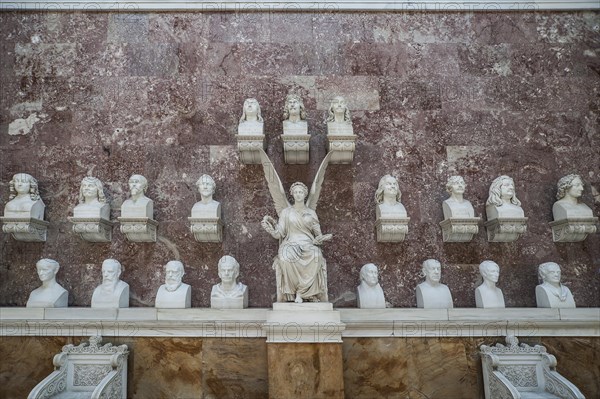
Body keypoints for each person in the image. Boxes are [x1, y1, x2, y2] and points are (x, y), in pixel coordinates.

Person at [261, 182, 332, 303]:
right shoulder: (286, 212)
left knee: (316, 255)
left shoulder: (311, 213)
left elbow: (318, 233)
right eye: (296, 192)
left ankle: (302, 292)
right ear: (292, 195)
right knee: (285, 258)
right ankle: (297, 292)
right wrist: (271, 230)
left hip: (308, 243)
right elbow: (280, 233)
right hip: (290, 243)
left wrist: (321, 238)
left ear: (305, 195)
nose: (298, 194)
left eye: (301, 192)